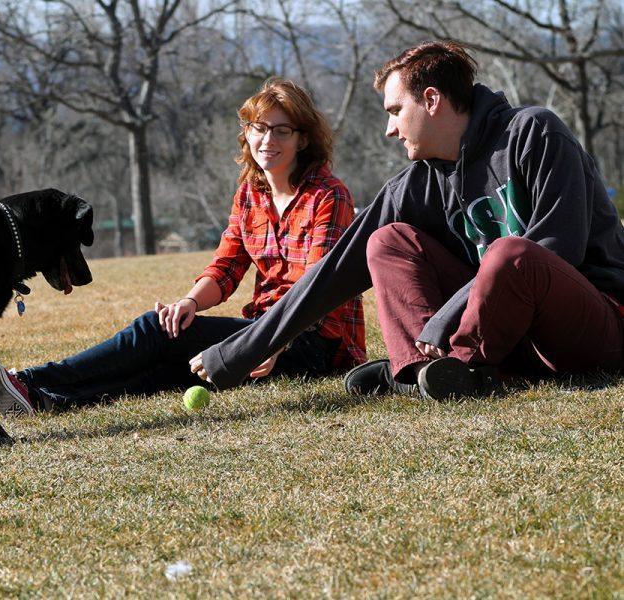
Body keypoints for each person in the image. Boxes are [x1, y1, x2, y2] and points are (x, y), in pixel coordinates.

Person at [189, 41, 624, 399]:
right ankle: (421, 376)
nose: (390, 129)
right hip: (510, 340)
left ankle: (456, 363)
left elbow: (556, 245)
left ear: (431, 99)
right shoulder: (416, 184)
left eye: (395, 111)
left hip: (592, 328)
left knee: (510, 252)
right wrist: (238, 353)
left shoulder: (532, 133)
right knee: (386, 240)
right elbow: (334, 271)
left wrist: (448, 315)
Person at [0, 77, 366, 414]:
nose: (268, 140)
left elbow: (318, 289)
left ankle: (31, 379)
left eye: (282, 131)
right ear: (247, 132)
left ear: (302, 139)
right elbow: (226, 268)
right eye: (260, 128)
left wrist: (271, 341)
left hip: (314, 345)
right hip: (262, 330)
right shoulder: (251, 194)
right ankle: (43, 399)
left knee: (154, 331)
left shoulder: (328, 196)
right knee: (168, 362)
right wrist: (188, 303)